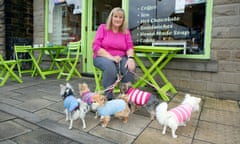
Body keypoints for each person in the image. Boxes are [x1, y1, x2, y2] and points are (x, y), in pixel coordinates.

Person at [92, 7, 135, 101]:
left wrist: (131, 58)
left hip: (120, 57)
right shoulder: (103, 28)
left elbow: (129, 47)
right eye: (115, 16)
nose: (118, 19)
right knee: (110, 68)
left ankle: (125, 98)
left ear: (123, 20)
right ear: (111, 17)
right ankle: (108, 99)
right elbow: (96, 47)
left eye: (120, 17)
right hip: (102, 56)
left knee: (129, 68)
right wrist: (111, 57)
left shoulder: (125, 31)